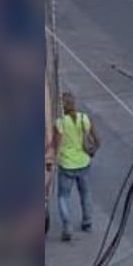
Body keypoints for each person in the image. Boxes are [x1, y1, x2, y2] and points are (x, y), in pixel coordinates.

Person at [49, 92, 98, 242]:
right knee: (86, 193)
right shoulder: (84, 119)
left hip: (66, 164)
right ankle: (87, 222)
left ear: (62, 106)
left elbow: (55, 146)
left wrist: (52, 161)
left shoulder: (60, 123)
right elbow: (98, 140)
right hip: (83, 162)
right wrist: (91, 153)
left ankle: (67, 227)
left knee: (63, 196)